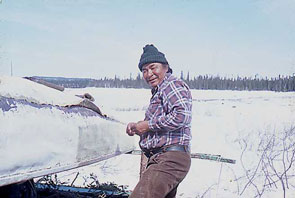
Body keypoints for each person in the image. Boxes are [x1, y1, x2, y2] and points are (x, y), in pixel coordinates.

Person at [126, 44, 192, 198]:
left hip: (169, 159)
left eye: (153, 67)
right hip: (163, 158)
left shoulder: (171, 84)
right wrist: (138, 127)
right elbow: (162, 123)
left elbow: (181, 116)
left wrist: (148, 125)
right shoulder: (159, 91)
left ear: (166, 67)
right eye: (144, 70)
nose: (149, 74)